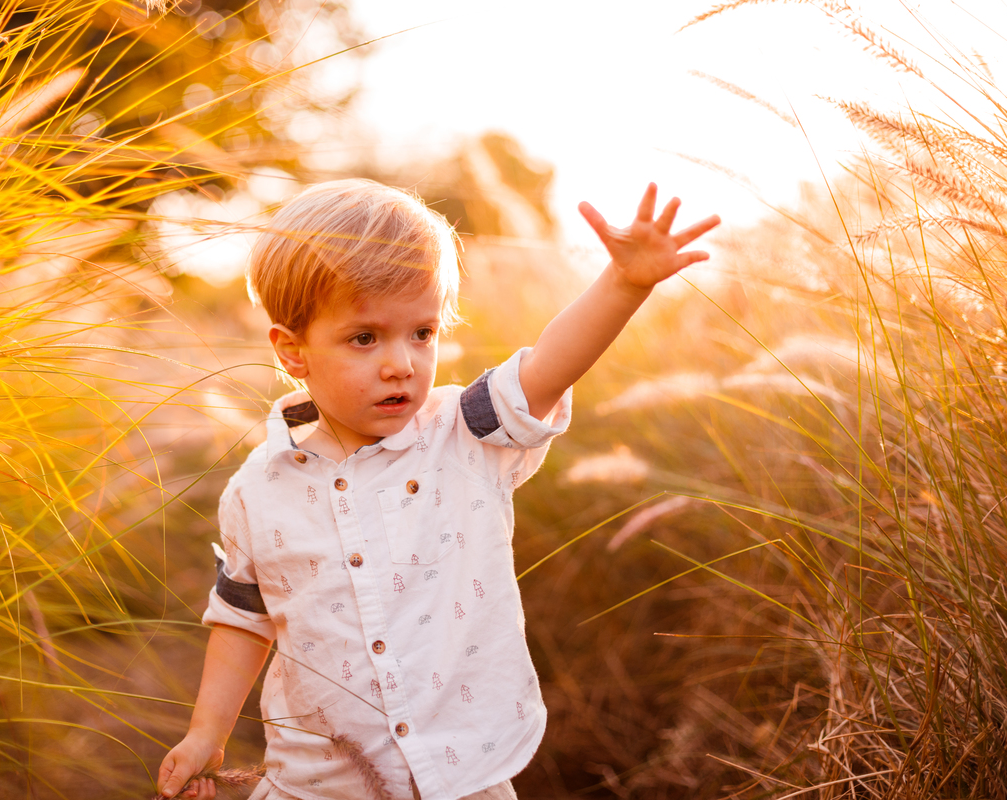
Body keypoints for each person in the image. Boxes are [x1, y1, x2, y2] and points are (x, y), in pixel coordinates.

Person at [156, 179, 720, 800]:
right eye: (364, 338)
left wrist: (624, 284)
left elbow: (548, 369)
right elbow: (244, 619)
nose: (401, 363)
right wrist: (206, 734)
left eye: (422, 333)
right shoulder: (256, 491)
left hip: (462, 775)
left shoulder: (465, 433)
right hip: (318, 784)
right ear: (293, 350)